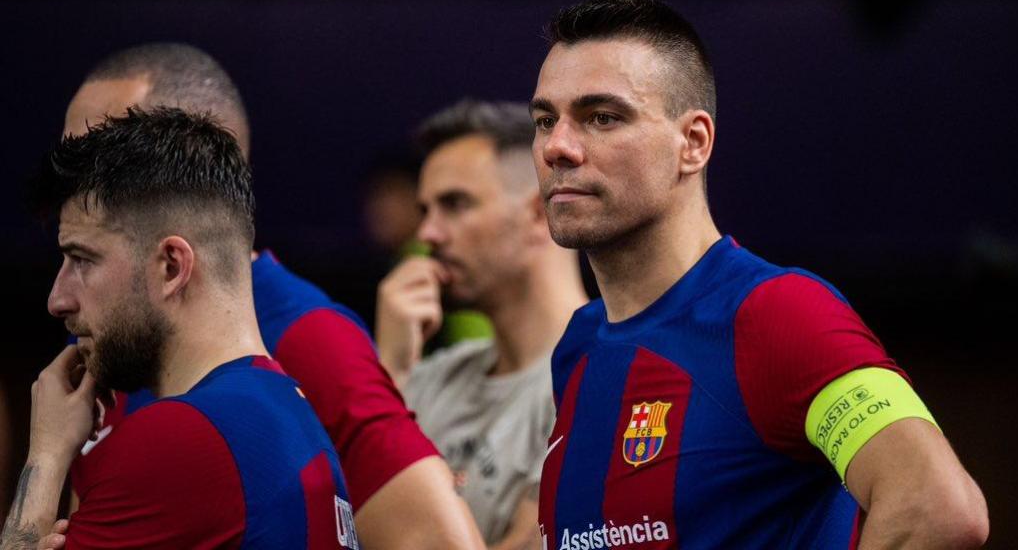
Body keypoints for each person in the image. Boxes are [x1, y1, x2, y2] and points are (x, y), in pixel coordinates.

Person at [530, 0, 989, 549]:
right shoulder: (579, 346)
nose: (557, 146)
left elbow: (938, 508)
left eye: (601, 117)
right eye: (545, 120)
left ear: (693, 143)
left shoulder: (777, 312)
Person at [61, 43, 483, 550]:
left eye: (100, 156)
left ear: (191, 154)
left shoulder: (308, 334)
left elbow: (441, 541)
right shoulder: (112, 332)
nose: (73, 181)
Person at [2, 107, 358, 548]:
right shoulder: (287, 410)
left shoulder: (185, 441)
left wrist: (47, 455)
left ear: (172, 266)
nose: (58, 300)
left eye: (82, 260)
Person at [376, 100, 588, 550]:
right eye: (425, 210)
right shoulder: (425, 380)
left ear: (537, 214)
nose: (428, 234)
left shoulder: (599, 373)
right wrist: (388, 373)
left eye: (454, 204)